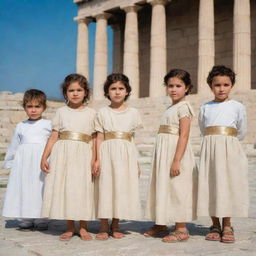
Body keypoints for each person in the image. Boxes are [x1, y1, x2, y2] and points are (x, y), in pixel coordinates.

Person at [41, 74, 96, 241]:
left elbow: (95, 138)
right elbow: (53, 136)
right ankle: (70, 227)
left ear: (86, 92)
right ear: (65, 93)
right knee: (67, 189)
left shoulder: (92, 113)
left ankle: (84, 227)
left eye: (79, 90)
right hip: (63, 154)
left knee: (83, 189)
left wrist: (95, 159)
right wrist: (44, 157)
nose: (75, 93)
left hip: (84, 153)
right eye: (71, 90)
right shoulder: (61, 112)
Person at [145, 69, 197, 242]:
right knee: (162, 185)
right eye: (170, 86)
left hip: (176, 152)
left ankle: (181, 228)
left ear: (187, 88)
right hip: (164, 152)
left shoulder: (184, 107)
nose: (174, 89)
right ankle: (161, 224)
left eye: (178, 86)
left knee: (177, 187)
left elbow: (184, 135)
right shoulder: (170, 107)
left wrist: (176, 160)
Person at [197, 65, 248, 243]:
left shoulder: (237, 106)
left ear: (231, 85)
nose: (221, 88)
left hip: (230, 149)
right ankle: (215, 224)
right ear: (211, 86)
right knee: (211, 184)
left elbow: (241, 130)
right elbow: (203, 128)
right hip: (210, 148)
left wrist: (228, 142)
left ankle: (227, 224)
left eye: (226, 84)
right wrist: (214, 142)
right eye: (217, 85)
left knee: (227, 184)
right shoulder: (205, 107)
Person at [93, 73, 142, 240]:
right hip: (107, 151)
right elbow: (99, 137)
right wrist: (97, 159)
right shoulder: (102, 112)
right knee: (106, 187)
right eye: (113, 88)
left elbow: (132, 138)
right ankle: (103, 225)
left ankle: (116, 224)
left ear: (127, 91)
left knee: (120, 188)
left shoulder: (133, 112)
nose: (117, 92)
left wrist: (136, 162)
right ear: (107, 92)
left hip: (126, 153)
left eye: (121, 88)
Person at [2, 89, 51, 230]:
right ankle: (25, 218)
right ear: (24, 107)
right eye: (30, 106)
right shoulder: (21, 125)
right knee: (24, 188)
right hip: (23, 163)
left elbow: (52, 143)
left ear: (44, 107)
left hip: (41, 161)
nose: (33, 110)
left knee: (40, 187)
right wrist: (10, 161)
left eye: (37, 106)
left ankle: (42, 217)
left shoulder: (48, 124)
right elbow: (14, 145)